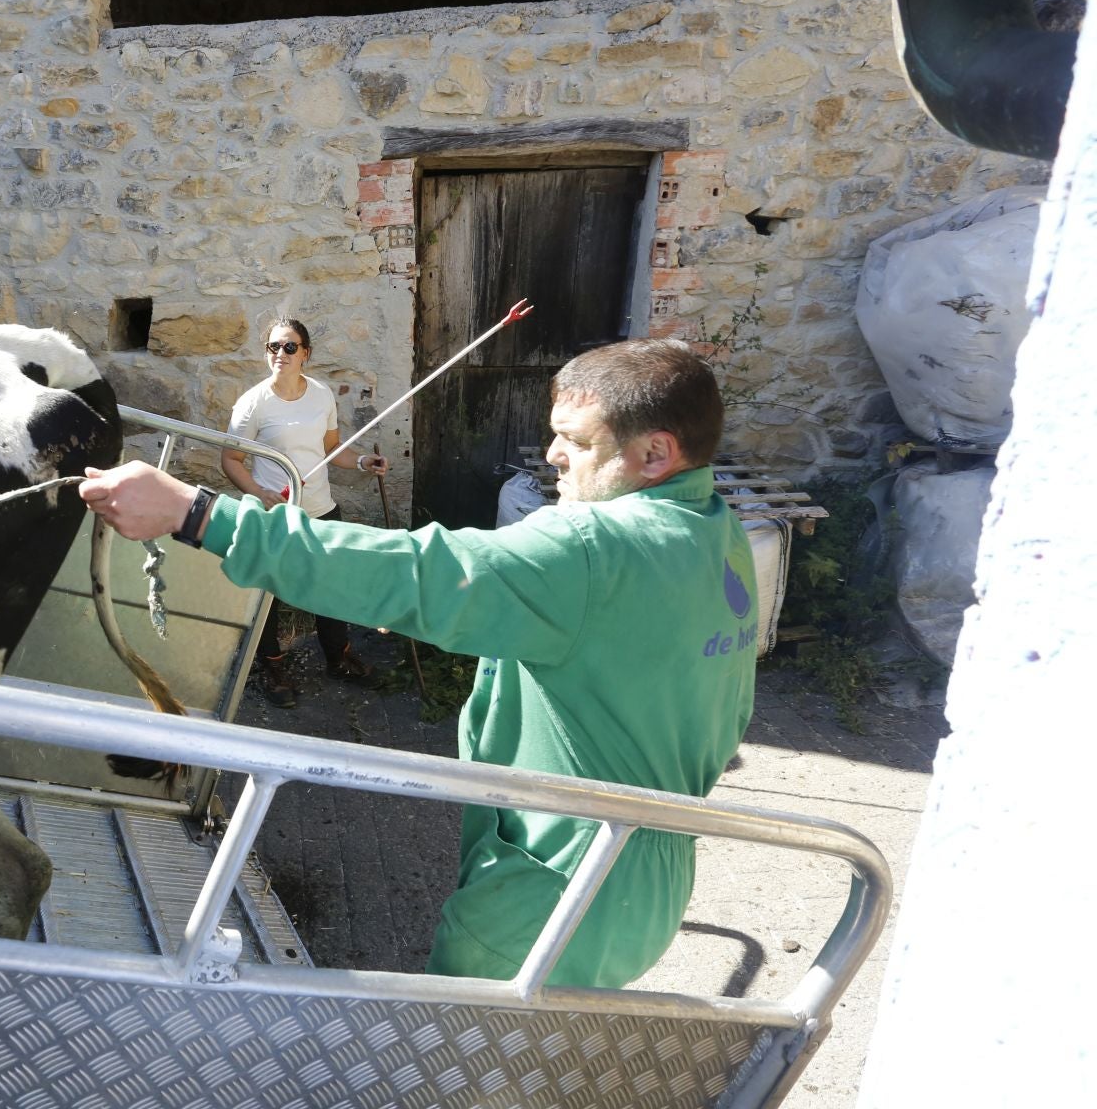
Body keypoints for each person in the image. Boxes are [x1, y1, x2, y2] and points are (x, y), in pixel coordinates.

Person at [80, 338, 756, 989]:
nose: (553, 455)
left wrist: (197, 515)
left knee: (463, 1048)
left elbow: (418, 573)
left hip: (554, 885)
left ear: (655, 453)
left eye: (576, 442)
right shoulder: (714, 532)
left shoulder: (592, 548)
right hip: (655, 869)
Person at [222, 318, 388, 707]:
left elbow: (331, 448)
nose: (280, 354)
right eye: (273, 347)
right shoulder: (253, 403)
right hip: (275, 516)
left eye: (289, 347)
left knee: (330, 588)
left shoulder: (321, 395)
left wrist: (362, 461)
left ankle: (338, 658)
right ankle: (272, 667)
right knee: (268, 596)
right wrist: (259, 493)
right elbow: (230, 459)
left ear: (305, 354)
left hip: (320, 510)